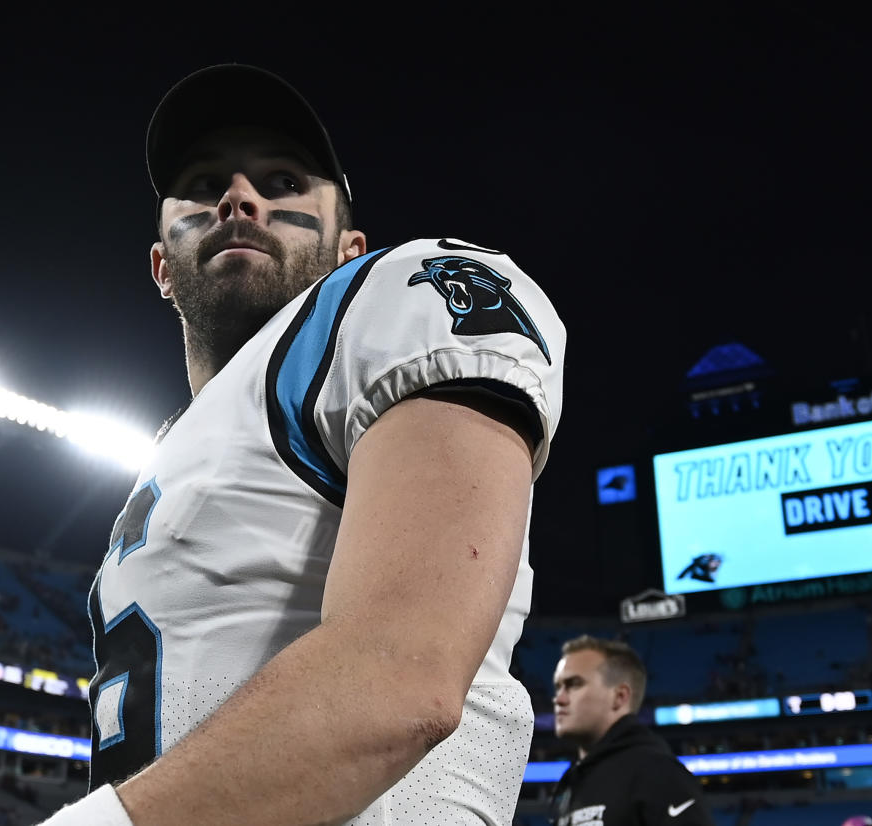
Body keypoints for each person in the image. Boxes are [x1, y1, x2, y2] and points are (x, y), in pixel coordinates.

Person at [39, 63, 566, 825]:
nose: (238, 198)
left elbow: (400, 680)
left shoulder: (398, 294)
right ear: (160, 266)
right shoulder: (177, 453)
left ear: (350, 249)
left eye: (284, 183)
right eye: (201, 183)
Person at [549, 635, 715, 825]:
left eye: (574, 684)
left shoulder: (657, 773)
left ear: (620, 696)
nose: (559, 699)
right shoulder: (571, 783)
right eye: (558, 687)